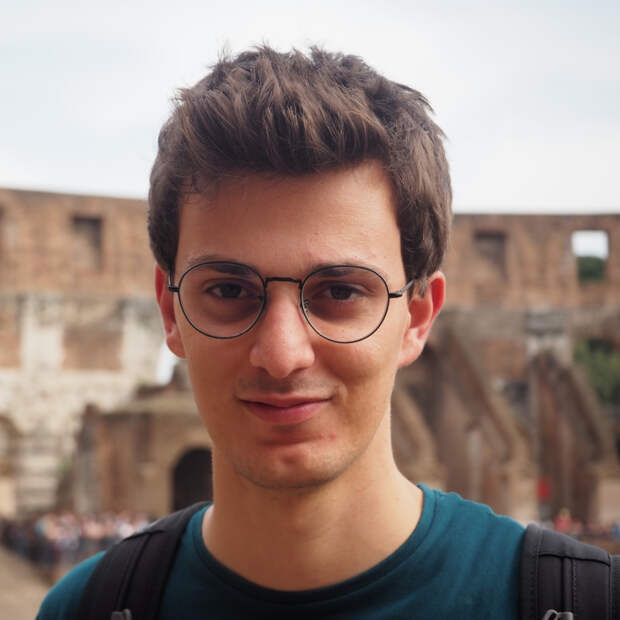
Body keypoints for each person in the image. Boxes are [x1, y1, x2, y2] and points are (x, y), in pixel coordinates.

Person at [38, 45, 524, 619]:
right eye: (229, 290)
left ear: (416, 318)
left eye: (340, 292)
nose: (281, 354)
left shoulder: (579, 602)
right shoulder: (83, 610)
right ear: (170, 312)